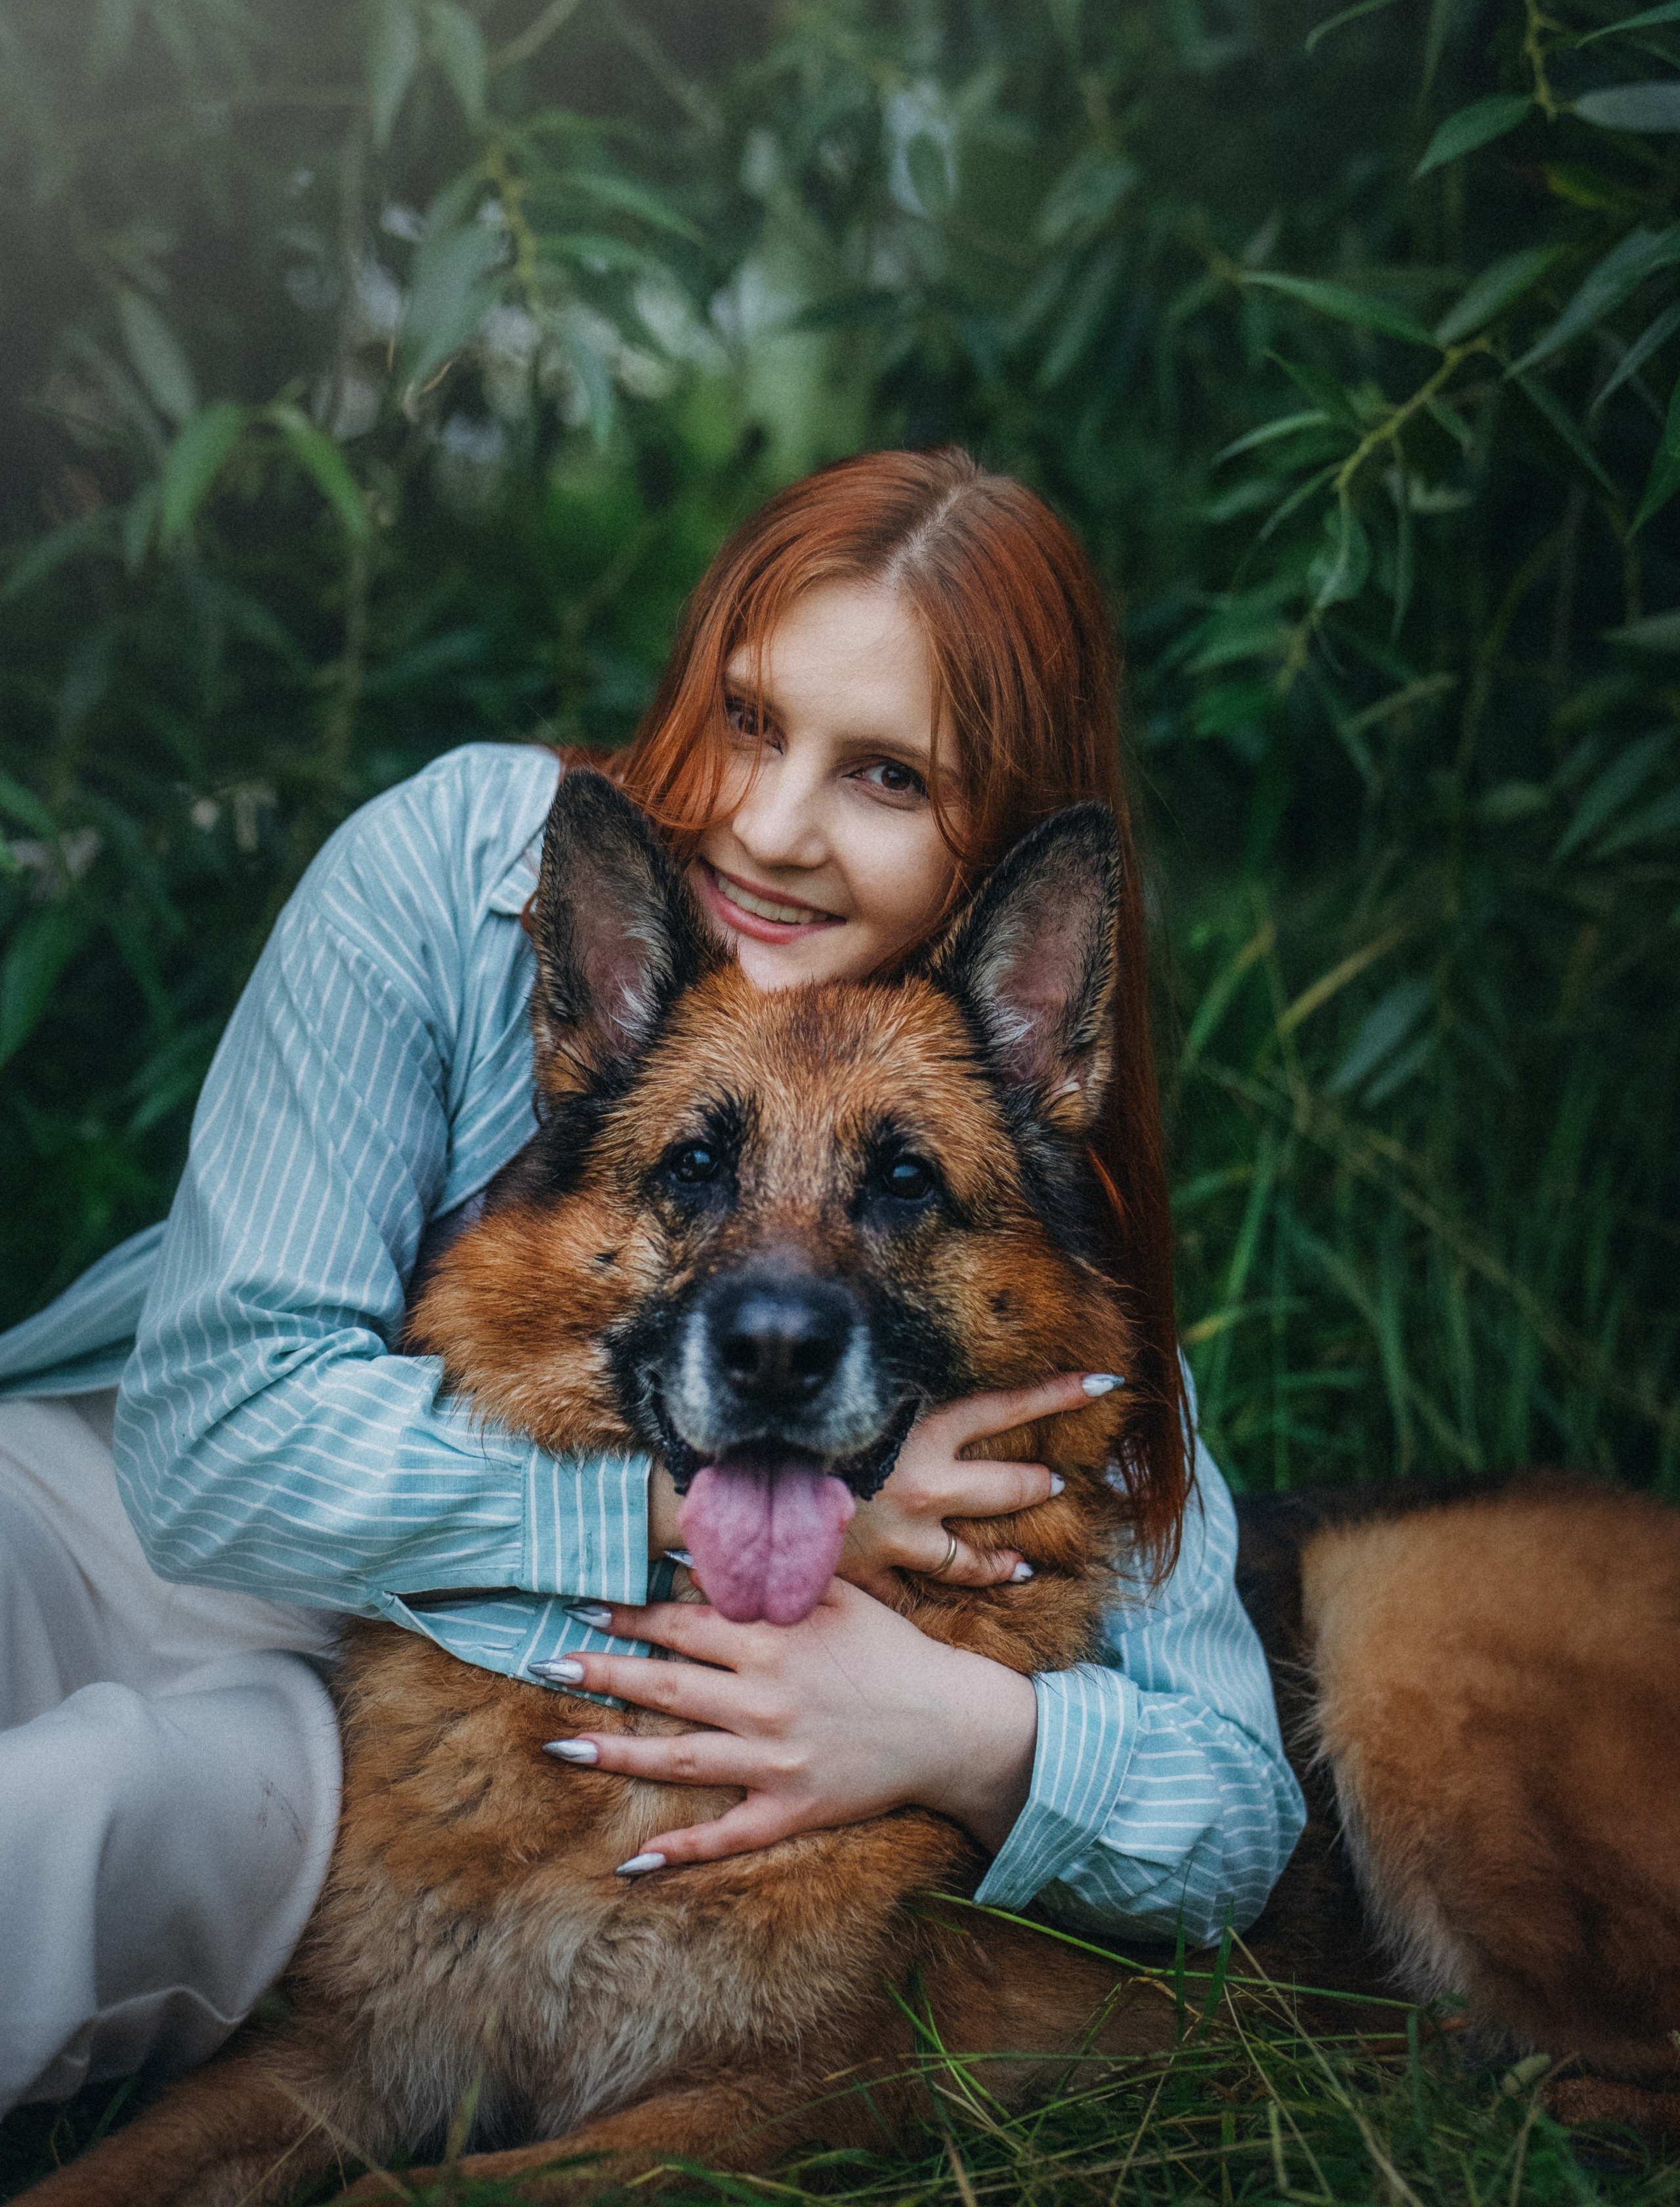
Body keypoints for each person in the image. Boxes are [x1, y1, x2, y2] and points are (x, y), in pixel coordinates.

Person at [0, 447, 1305, 2116]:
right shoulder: (462, 858)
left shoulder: (1001, 1188)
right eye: (752, 721)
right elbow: (209, 1449)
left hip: (376, 1689)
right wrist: (668, 1515)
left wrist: (962, 1732)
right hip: (133, 1510)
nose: (767, 830)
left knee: (120, 1815)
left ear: (999, 856)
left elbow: (1231, 1813)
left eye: (889, 778)